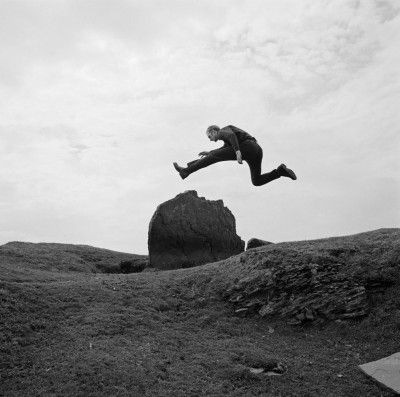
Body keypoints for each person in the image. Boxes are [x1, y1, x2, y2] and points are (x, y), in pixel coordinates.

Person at [173, 124, 297, 186]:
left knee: (213, 157)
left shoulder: (223, 131)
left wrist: (238, 152)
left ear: (214, 131)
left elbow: (231, 136)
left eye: (209, 136)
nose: (210, 139)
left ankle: (186, 170)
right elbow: (223, 150)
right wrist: (210, 152)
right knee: (256, 181)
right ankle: (280, 172)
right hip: (257, 150)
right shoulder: (227, 142)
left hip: (246, 147)